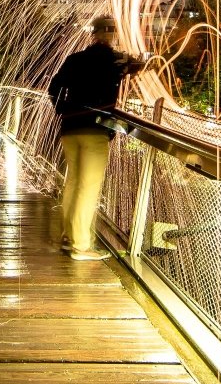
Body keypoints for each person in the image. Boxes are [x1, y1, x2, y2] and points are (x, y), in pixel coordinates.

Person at [45, 14, 146, 260]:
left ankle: (68, 237)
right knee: (88, 188)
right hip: (97, 129)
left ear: (93, 33)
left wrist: (65, 110)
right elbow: (138, 65)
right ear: (112, 35)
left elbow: (53, 88)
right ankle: (80, 245)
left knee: (73, 184)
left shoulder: (74, 59)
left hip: (70, 128)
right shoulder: (115, 61)